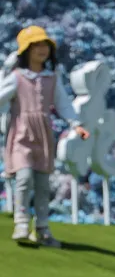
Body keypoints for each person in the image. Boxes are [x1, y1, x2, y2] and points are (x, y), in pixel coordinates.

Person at [0, 25, 88, 246]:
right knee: (24, 177)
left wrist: (76, 124)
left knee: (42, 183)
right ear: (26, 50)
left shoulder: (51, 78)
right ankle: (21, 222)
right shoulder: (17, 77)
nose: (42, 50)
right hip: (21, 134)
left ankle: (42, 228)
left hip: (43, 136)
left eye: (45, 45)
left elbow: (63, 104)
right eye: (36, 45)